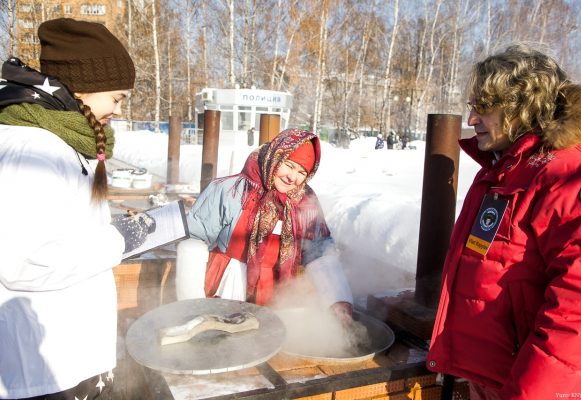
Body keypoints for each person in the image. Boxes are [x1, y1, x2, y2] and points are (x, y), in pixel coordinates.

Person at [426, 44, 581, 399]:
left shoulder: (573, 173)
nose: (472, 119)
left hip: (531, 386)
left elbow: (579, 311)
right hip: (492, 375)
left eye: (483, 108)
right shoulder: (504, 168)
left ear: (524, 106)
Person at [0, 18, 154, 399]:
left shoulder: (61, 140)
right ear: (83, 87)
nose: (118, 109)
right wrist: (118, 240)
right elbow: (23, 263)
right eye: (116, 97)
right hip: (44, 371)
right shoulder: (33, 148)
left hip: (67, 359)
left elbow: (60, 232)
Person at [185, 128, 353, 320]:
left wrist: (337, 298)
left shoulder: (305, 200)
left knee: (270, 340)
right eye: (289, 165)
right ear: (275, 157)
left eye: (301, 172)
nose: (292, 177)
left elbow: (319, 248)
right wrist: (191, 303)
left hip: (277, 291)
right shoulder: (231, 190)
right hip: (228, 286)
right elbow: (193, 243)